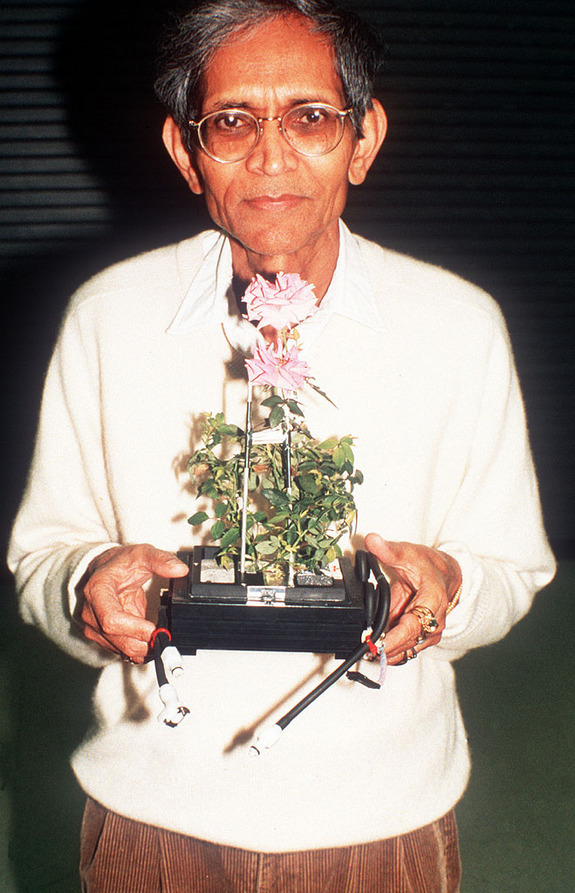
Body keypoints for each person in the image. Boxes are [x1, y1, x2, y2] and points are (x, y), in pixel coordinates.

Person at [8, 1, 555, 890]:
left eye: (309, 117)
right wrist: (88, 582)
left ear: (363, 138)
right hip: (156, 820)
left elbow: (511, 571)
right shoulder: (108, 317)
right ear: (186, 152)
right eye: (231, 121)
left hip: (383, 823)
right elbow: (42, 560)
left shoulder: (458, 326)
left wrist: (448, 588)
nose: (270, 156)